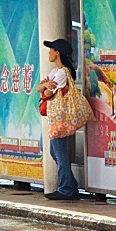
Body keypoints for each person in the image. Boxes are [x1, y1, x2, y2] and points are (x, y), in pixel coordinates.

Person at [38, 38, 81, 201]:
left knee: (59, 153)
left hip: (60, 117)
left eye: (51, 50)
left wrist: (44, 88)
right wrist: (43, 87)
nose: (49, 53)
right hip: (55, 117)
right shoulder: (55, 72)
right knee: (54, 152)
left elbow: (47, 93)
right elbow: (40, 88)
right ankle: (70, 185)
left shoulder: (62, 73)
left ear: (57, 53)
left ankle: (66, 189)